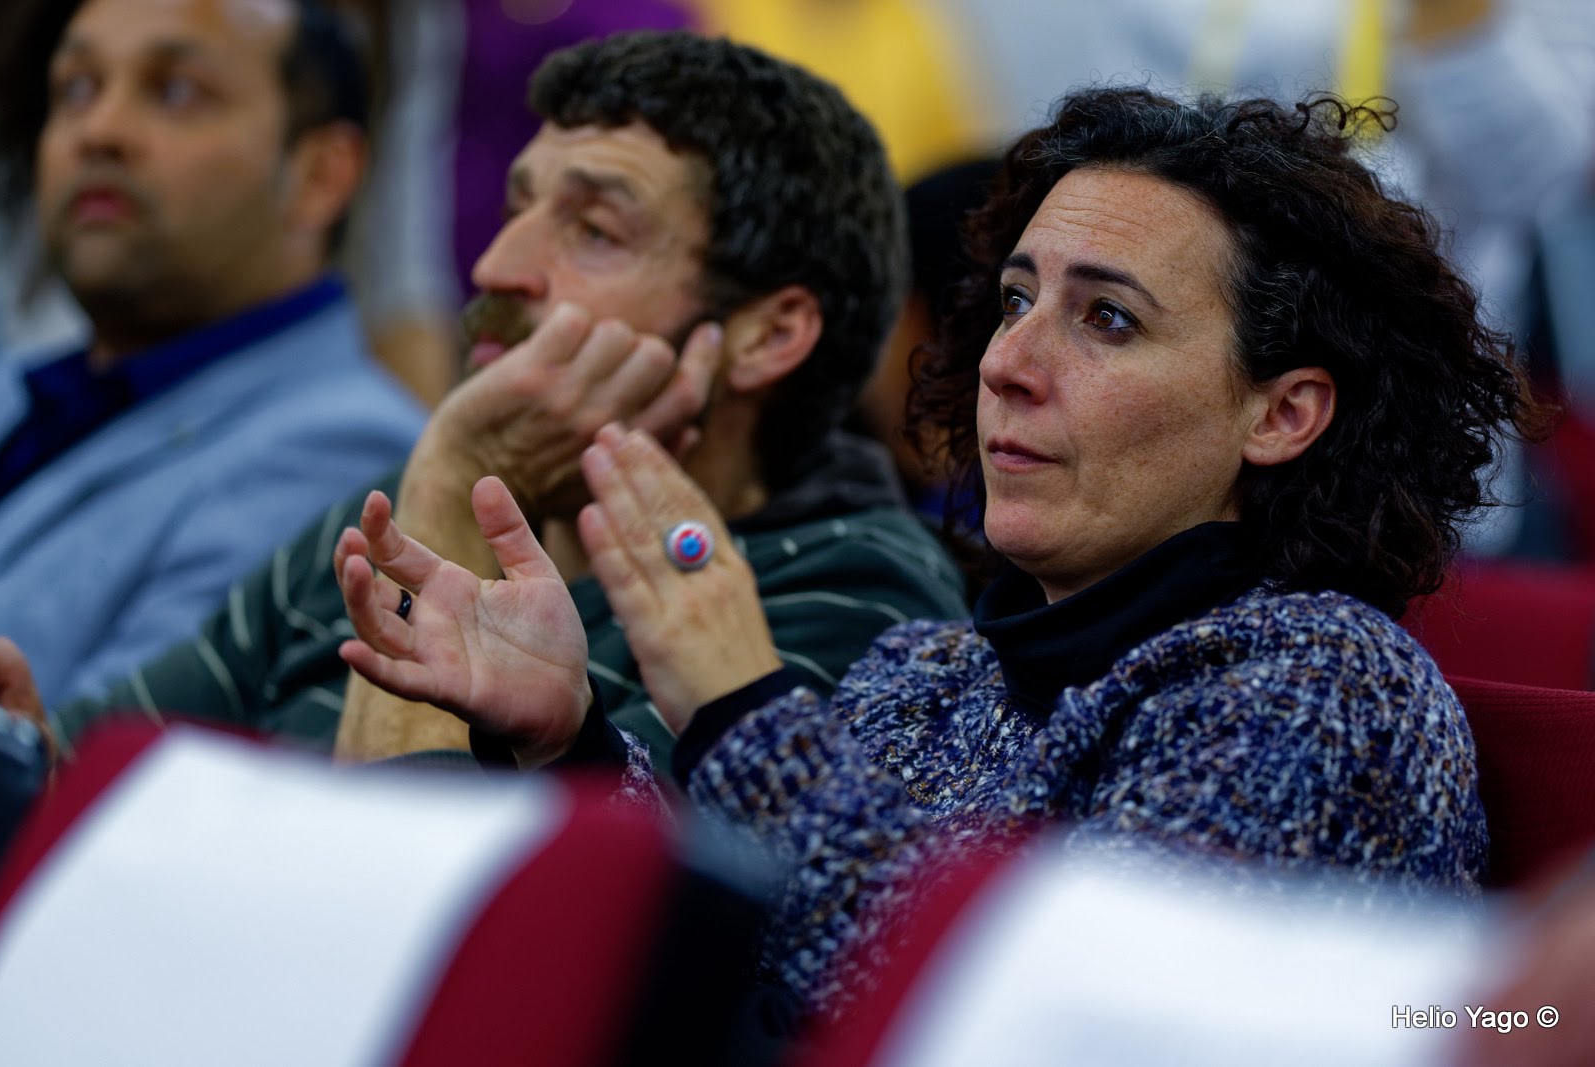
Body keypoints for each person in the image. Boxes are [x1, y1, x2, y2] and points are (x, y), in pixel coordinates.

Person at [332, 87, 1545, 1015]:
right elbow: (742, 928)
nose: (1008, 362)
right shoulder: (935, 668)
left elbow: (1022, 1009)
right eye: (1016, 299)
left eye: (1106, 319)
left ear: (1281, 414)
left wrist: (736, 700)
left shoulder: (1322, 686)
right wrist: (567, 737)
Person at [20, 31, 966, 771]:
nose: (495, 266)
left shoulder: (852, 601)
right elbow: (83, 769)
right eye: (519, 208)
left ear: (769, 334)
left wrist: (460, 483)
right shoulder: (405, 494)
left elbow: (411, 921)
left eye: (594, 229)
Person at [0, 0, 426, 708]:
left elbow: (111, 772)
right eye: (76, 87)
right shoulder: (29, 388)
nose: (99, 131)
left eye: (176, 91)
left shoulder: (343, 450)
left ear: (320, 173)